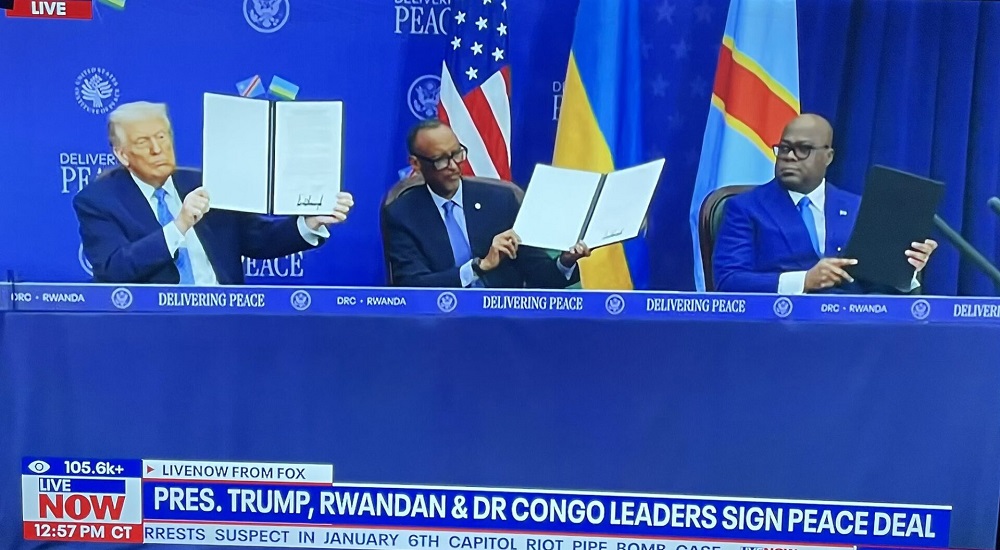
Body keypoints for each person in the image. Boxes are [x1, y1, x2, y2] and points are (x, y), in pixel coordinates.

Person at [74, 101, 354, 285]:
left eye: (162, 136)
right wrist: (179, 226)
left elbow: (258, 238)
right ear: (122, 154)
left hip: (225, 320)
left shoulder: (206, 183)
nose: (157, 149)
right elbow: (114, 269)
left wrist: (309, 222)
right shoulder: (99, 201)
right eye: (142, 142)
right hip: (154, 327)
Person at [713, 113, 938, 294]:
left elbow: (877, 285)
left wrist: (906, 269)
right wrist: (805, 280)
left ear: (828, 157)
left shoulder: (857, 208)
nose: (790, 156)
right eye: (784, 148)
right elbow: (728, 280)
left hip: (852, 327)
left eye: (803, 149)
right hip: (782, 325)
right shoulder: (745, 208)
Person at [383, 119, 590, 288]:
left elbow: (540, 276)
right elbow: (411, 285)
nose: (454, 166)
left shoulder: (501, 201)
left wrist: (565, 262)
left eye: (457, 154)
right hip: (439, 319)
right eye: (440, 160)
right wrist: (478, 267)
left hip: (503, 319)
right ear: (416, 164)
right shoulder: (403, 214)